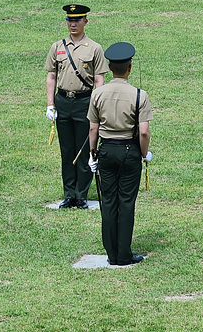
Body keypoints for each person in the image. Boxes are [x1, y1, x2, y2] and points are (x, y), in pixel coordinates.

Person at [87, 41, 152, 265]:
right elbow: (143, 132)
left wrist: (92, 153)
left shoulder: (98, 94)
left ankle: (111, 253)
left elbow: (93, 128)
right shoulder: (139, 95)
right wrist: (144, 154)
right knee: (126, 203)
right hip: (129, 150)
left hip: (106, 150)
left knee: (108, 201)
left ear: (109, 67)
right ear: (130, 68)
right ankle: (124, 253)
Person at [47, 4, 108, 208]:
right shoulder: (58, 46)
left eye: (77, 20)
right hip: (63, 101)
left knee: (84, 150)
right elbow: (52, 76)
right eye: (69, 20)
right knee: (66, 150)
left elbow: (99, 80)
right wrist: (50, 104)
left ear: (85, 22)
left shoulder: (94, 48)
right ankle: (69, 193)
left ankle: (81, 194)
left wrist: (98, 106)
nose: (73, 24)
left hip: (85, 101)